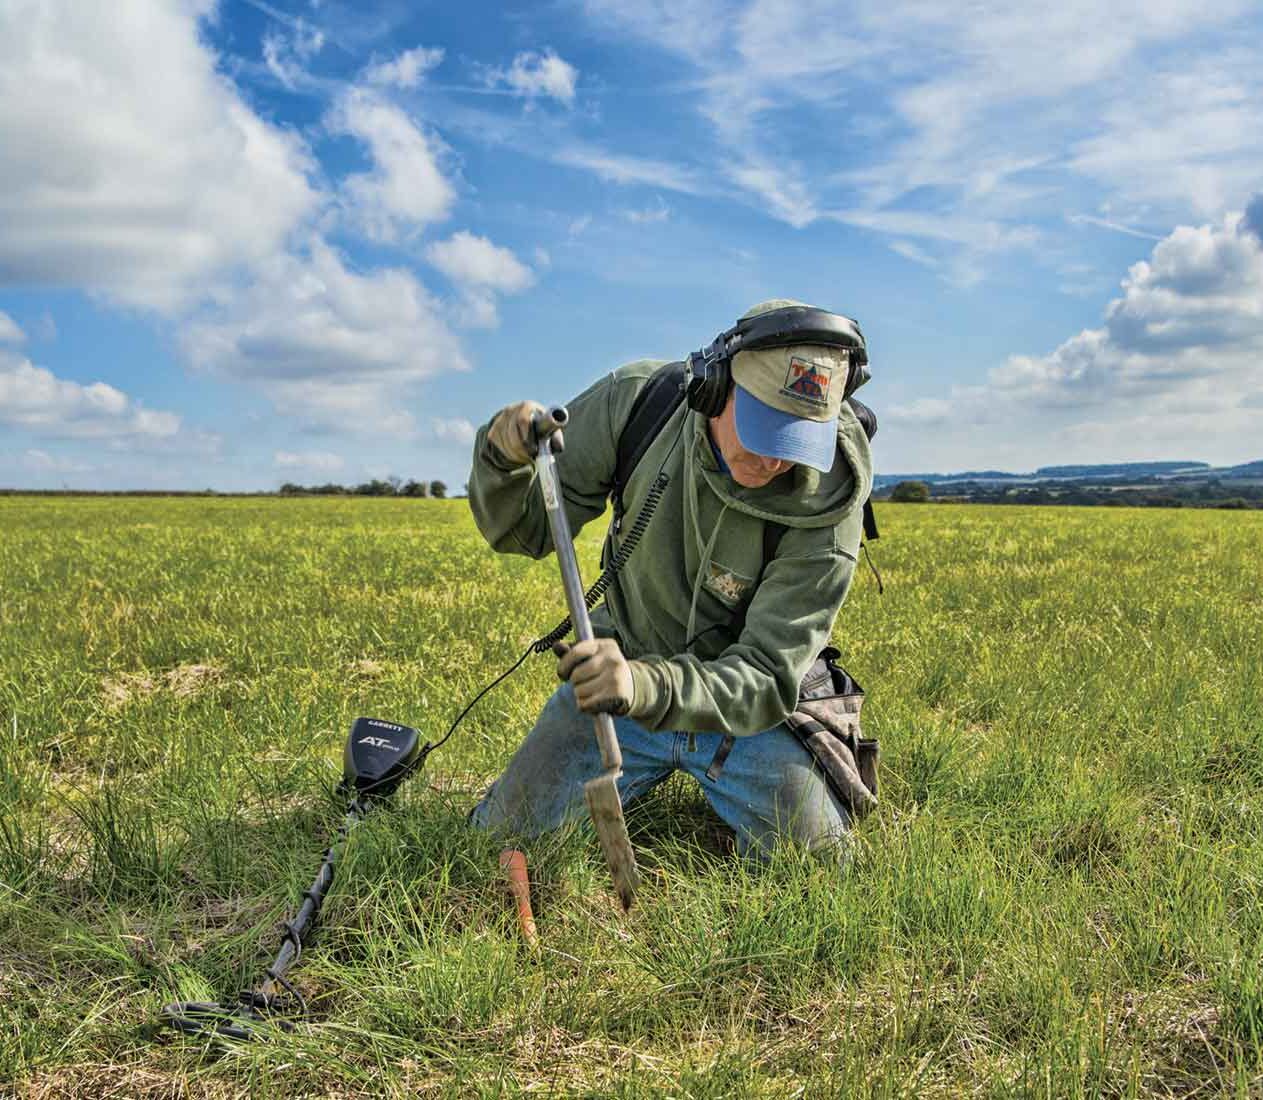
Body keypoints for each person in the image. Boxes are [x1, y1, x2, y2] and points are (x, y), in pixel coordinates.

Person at [466, 300, 874, 861]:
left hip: (746, 714)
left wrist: (644, 685)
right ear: (714, 385)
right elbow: (525, 530)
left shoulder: (834, 497)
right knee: (494, 842)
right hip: (621, 690)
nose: (777, 462)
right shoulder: (639, 404)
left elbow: (766, 674)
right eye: (765, 428)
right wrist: (502, 457)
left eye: (798, 440)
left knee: (822, 869)